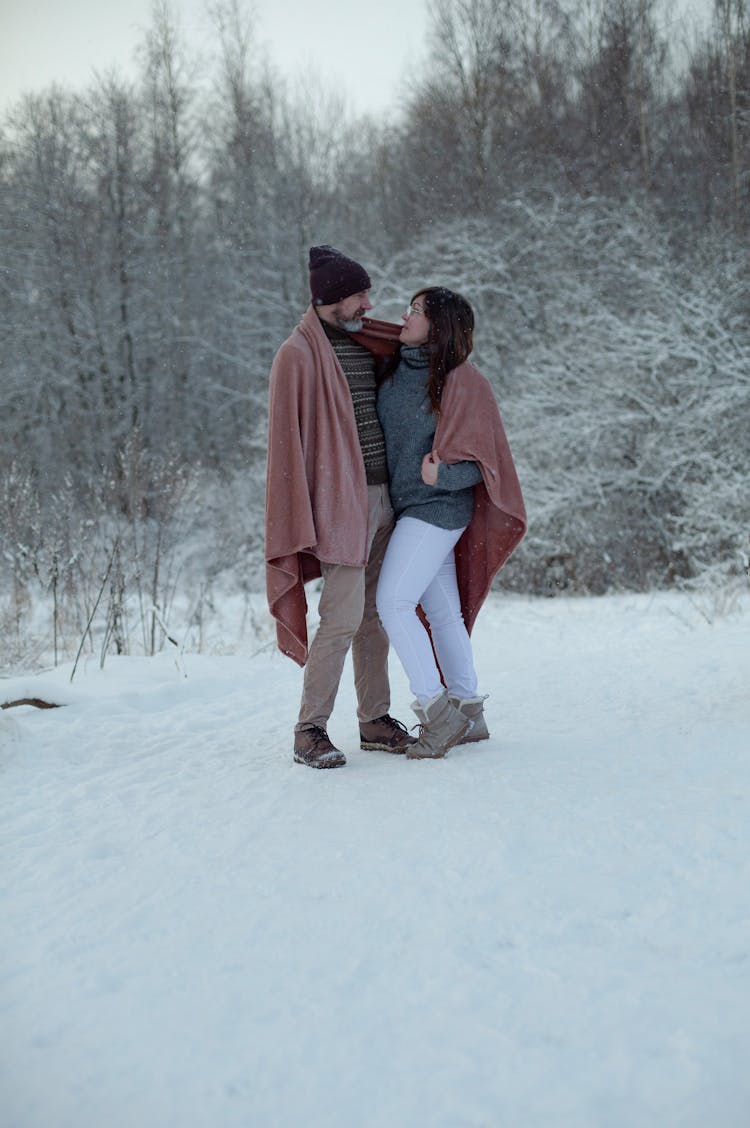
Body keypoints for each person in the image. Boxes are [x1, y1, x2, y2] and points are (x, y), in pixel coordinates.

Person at [265, 245, 416, 768]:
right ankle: (310, 729)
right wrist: (302, 513)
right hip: (338, 503)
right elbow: (288, 445)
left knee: (375, 615)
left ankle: (374, 720)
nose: (367, 306)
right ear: (330, 299)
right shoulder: (298, 355)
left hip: (383, 498)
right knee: (342, 616)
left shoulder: (365, 344)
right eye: (358, 296)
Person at [375, 287, 526, 759]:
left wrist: (442, 474)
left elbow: (488, 461)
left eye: (415, 311)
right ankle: (468, 711)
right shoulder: (397, 367)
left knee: (393, 603)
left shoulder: (463, 382)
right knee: (443, 613)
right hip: (408, 509)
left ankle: (438, 715)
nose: (404, 315)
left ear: (438, 326)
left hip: (437, 510)